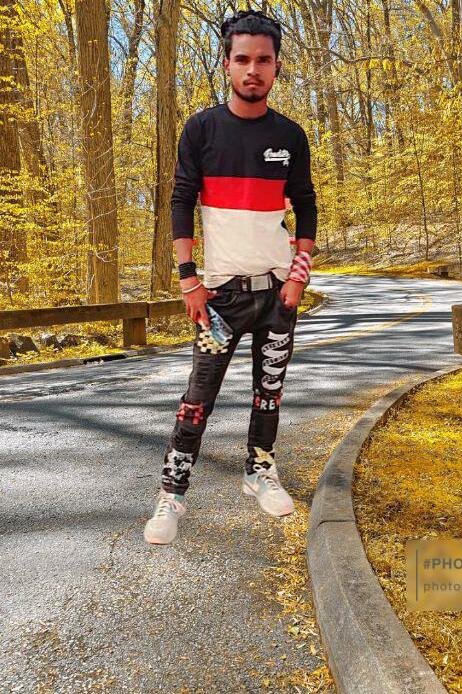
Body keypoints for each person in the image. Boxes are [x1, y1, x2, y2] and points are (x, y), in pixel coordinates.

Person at [144, 9, 317, 545]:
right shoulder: (201, 129)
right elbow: (181, 201)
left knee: (270, 394)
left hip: (276, 295)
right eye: (242, 59)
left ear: (277, 66)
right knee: (197, 398)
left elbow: (307, 206)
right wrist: (187, 280)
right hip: (218, 298)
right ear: (227, 64)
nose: (252, 69)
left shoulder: (290, 136)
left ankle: (259, 470)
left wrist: (298, 277)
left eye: (263, 60)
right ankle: (172, 495)